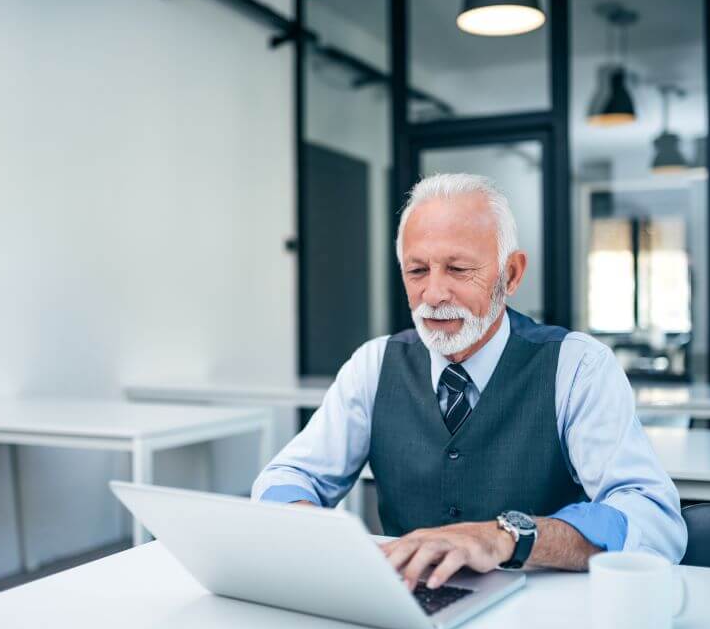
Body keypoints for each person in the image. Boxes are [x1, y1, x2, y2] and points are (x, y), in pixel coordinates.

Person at [252, 173, 686, 590]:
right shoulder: (374, 365)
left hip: (546, 615)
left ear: (511, 275)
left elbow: (654, 519)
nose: (434, 294)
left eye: (458, 269)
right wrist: (311, 526)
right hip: (409, 606)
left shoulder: (578, 367)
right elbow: (285, 478)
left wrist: (508, 537)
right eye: (417, 271)